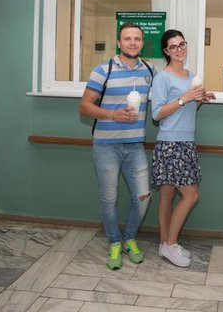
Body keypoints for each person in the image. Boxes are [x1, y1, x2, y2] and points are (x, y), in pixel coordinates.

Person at [78, 22, 154, 270]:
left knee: (142, 198)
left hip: (135, 147)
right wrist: (112, 115)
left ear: (142, 42)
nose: (133, 43)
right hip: (106, 146)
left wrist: (194, 95)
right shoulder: (103, 70)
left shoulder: (149, 70)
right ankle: (114, 242)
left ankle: (129, 238)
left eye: (137, 38)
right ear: (119, 43)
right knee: (109, 200)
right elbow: (84, 106)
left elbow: (166, 96)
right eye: (127, 38)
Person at [151, 29, 215, 267]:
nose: (179, 50)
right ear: (166, 51)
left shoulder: (191, 76)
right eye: (174, 46)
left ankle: (164, 244)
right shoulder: (162, 78)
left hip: (187, 142)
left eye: (182, 44)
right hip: (170, 144)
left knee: (168, 194)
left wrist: (198, 100)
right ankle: (170, 244)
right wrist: (184, 98)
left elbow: (187, 110)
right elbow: (157, 114)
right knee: (191, 195)